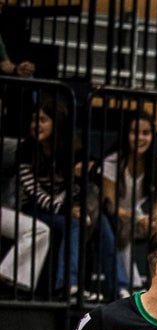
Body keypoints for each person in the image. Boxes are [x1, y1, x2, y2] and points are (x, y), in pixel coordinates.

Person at [18, 97, 117, 300]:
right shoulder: (26, 150)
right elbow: (35, 194)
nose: (37, 125)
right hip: (34, 209)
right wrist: (66, 209)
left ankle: (120, 288)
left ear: (57, 123)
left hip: (64, 208)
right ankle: (67, 285)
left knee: (102, 223)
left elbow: (80, 186)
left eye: (43, 120)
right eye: (34, 120)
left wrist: (83, 175)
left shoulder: (69, 150)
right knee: (75, 223)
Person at [102, 109, 157, 298]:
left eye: (145, 133)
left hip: (135, 211)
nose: (140, 138)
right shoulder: (113, 162)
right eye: (134, 132)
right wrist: (140, 219)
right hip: (110, 213)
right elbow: (111, 206)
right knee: (121, 230)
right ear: (126, 134)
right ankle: (128, 286)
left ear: (152, 136)